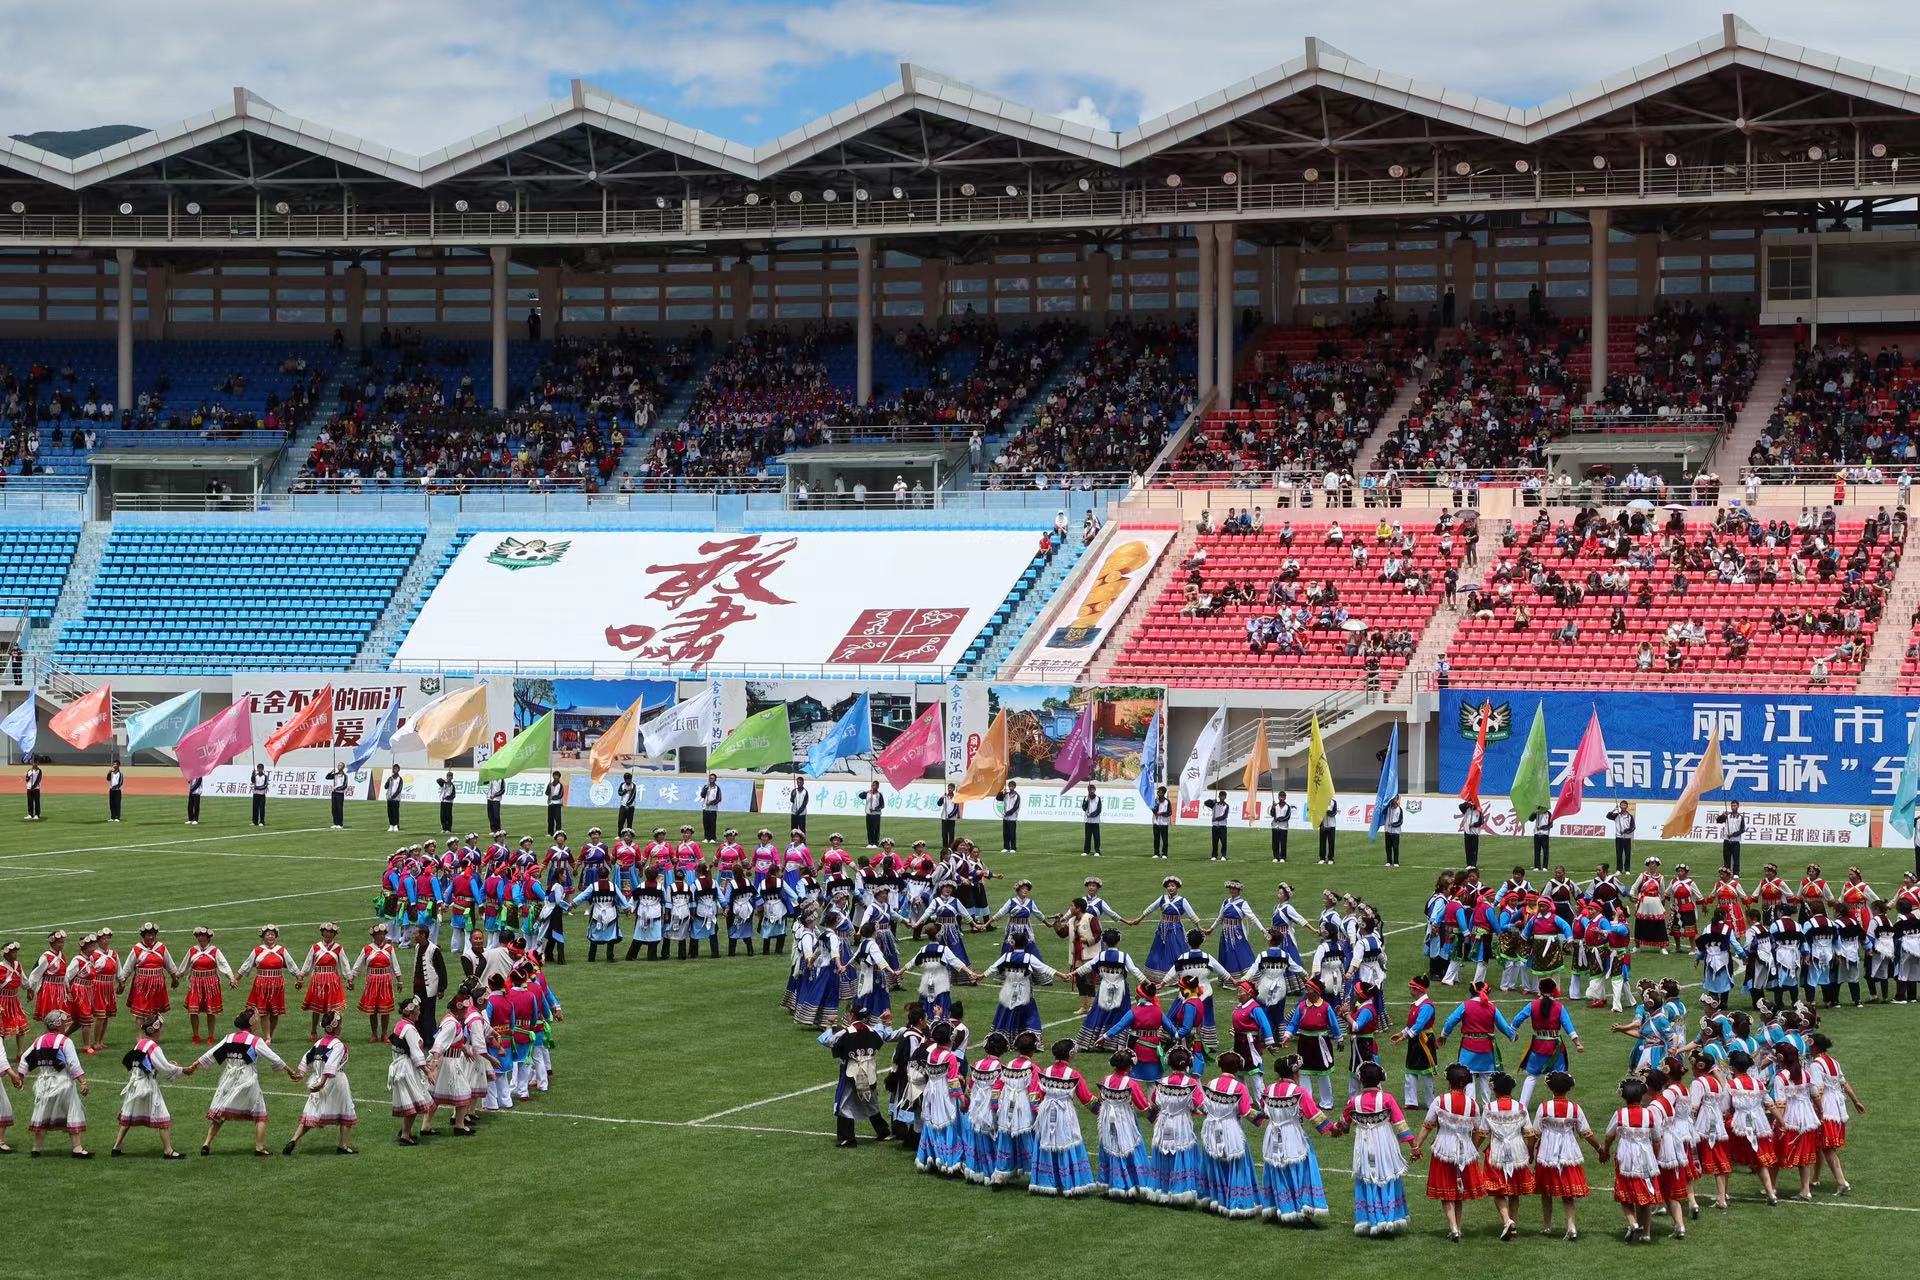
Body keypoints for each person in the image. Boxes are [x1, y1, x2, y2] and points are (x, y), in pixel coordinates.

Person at [184, 1009, 298, 1156]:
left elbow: (211, 1053)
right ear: (251, 1023)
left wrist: (194, 1065)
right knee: (260, 1113)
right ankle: (260, 1147)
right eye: (256, 1019)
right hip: (248, 1079)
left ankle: (206, 1144)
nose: (258, 1021)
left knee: (220, 1113)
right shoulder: (255, 1040)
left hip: (228, 1079)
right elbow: (273, 1057)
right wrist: (289, 1070)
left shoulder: (229, 1038)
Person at [1324, 1060, 1417, 1237]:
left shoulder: (1354, 1102)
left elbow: (1343, 1125)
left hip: (1364, 1143)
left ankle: (1371, 1219)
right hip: (1385, 1142)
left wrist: (1334, 1130)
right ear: (1380, 1079)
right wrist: (1414, 1146)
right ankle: (1389, 1218)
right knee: (1387, 1174)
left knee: (1367, 1176)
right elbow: (1400, 1125)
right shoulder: (1387, 1099)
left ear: (1361, 1080)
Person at [1419, 1063, 1487, 1241]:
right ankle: (1458, 1227)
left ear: (1449, 1081)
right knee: (1459, 1191)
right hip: (1465, 1149)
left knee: (1446, 1189)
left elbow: (1427, 1125)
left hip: (1443, 1148)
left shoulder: (1440, 1101)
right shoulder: (1473, 1105)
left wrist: (1417, 1145)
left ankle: (1454, 1228)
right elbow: (1478, 1131)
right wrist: (1473, 1148)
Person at [1600, 1075, 1672, 1242]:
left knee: (1624, 1194)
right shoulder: (1649, 1114)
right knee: (1645, 1195)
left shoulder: (1620, 1114)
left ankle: (1633, 1222)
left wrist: (1606, 1150)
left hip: (1626, 1157)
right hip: (1646, 1156)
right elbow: (1657, 1139)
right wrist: (1654, 1156)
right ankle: (1646, 1233)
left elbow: (1609, 1135)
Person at [1533, 1069, 1601, 1239]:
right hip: (1569, 1151)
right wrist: (1599, 1149)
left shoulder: (1544, 1107)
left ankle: (1547, 1226)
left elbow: (1535, 1133)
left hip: (1547, 1151)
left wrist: (1529, 1150)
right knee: (1568, 1192)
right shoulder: (1575, 1108)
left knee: (1546, 1190)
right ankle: (1571, 1226)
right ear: (1569, 1089)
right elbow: (1586, 1133)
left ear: (1550, 1088)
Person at [822, 1003, 897, 1148]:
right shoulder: (872, 1030)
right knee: (871, 1101)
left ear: (851, 1015)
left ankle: (847, 1138)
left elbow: (828, 1041)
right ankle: (883, 1130)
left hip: (852, 1072)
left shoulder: (846, 1032)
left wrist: (829, 1025)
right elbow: (881, 1036)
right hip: (869, 1071)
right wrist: (881, 1022)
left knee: (844, 1104)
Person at [1029, 1039, 1098, 1197]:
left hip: (1047, 1110)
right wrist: (1101, 1110)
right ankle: (1069, 1183)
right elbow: (1086, 1098)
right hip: (1065, 1112)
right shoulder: (1073, 1074)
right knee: (1067, 1141)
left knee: (1046, 1141)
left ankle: (1046, 1182)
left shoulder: (1045, 1071)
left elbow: (1039, 1095)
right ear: (1070, 1054)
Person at [112, 1013, 185, 1158]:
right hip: (147, 1085)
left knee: (128, 1117)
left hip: (135, 1084)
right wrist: (183, 1070)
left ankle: (116, 1147)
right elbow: (164, 1067)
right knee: (163, 1117)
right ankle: (168, 1151)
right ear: (155, 1031)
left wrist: (167, 1064)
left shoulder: (140, 1043)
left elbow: (150, 1063)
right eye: (160, 1029)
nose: (161, 1032)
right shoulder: (153, 1046)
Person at [284, 1012, 357, 1155]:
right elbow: (331, 1064)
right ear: (335, 1026)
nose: (341, 1026)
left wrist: (301, 1074)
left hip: (318, 1080)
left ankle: (293, 1140)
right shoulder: (338, 1045)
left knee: (311, 1113)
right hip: (335, 1081)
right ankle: (343, 1145)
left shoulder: (318, 1043)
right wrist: (322, 1082)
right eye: (340, 1024)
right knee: (347, 1110)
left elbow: (307, 1058)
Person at [1144, 1046, 1205, 1206]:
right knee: (1182, 1153)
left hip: (1164, 1122)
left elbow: (1154, 1102)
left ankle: (1162, 1190)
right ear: (1188, 1064)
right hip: (1181, 1123)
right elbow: (1200, 1104)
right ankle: (1181, 1191)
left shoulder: (1161, 1082)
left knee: (1164, 1152)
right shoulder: (1191, 1083)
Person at [24, 1011, 89, 1156]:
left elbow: (25, 1059)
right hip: (62, 1082)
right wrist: (83, 1081)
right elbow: (73, 1064)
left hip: (43, 1084)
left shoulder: (39, 1041)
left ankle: (36, 1149)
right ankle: (77, 1148)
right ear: (58, 1024)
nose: (66, 1024)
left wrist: (20, 1076)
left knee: (42, 1113)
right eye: (63, 1021)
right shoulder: (65, 1041)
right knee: (72, 1112)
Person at [387, 997, 434, 1146]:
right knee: (414, 1101)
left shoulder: (400, 1024)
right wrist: (427, 1071)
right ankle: (405, 1135)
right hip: (406, 1068)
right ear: (411, 1013)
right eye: (417, 1010)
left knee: (411, 1100)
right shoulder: (410, 1029)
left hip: (400, 1066)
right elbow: (416, 1053)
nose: (419, 1012)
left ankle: (406, 1131)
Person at [408, 925, 446, 1030]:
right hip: (418, 987)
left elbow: (441, 970)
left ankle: (430, 1037)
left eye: (415, 933)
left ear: (423, 935)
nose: (413, 936)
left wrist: (441, 988)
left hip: (429, 989)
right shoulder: (417, 947)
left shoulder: (434, 950)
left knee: (428, 1015)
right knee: (417, 1012)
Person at [1713, 800, 1746, 875]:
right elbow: (1718, 820)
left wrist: (1733, 834)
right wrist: (1722, 815)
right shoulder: (1727, 815)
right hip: (1727, 840)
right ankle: (1727, 872)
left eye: (1735, 805)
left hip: (1735, 841)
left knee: (1736, 858)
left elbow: (1742, 829)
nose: (1733, 807)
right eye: (1732, 806)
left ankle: (1736, 873)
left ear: (1738, 806)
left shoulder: (1740, 817)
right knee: (1726, 858)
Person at [1605, 801, 1635, 873]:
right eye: (1622, 805)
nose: (1623, 806)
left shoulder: (1630, 816)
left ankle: (1627, 869)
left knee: (1627, 854)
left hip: (1627, 838)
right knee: (1619, 854)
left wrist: (1625, 831)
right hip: (1619, 838)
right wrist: (1614, 809)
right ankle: (1619, 869)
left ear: (1627, 806)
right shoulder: (1616, 815)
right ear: (1620, 806)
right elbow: (1608, 816)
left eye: (1624, 805)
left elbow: (1633, 827)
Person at [1203, 789, 1231, 862]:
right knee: (1215, 842)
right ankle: (1214, 855)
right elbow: (1205, 803)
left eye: (1223, 796)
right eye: (1221, 796)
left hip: (1222, 826)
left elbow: (1224, 816)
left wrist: (1216, 819)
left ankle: (1223, 855)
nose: (1222, 797)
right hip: (1215, 826)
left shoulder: (1226, 806)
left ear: (1225, 797)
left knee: (1223, 841)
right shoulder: (1214, 804)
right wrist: (1212, 800)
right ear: (1219, 796)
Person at [997, 780, 1021, 855]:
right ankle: (1006, 847)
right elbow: (998, 798)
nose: (1011, 787)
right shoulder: (1006, 794)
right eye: (1009, 786)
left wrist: (1008, 813)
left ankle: (1013, 848)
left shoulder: (1017, 796)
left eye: (1012, 786)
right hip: (1005, 818)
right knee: (1005, 833)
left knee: (1012, 833)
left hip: (1012, 818)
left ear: (1014, 787)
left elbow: (1015, 807)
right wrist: (1001, 792)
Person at [1080, 783, 1103, 857]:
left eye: (1093, 789)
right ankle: (1086, 851)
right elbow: (1084, 808)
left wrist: (1092, 815)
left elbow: (1099, 810)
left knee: (1096, 836)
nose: (1092, 791)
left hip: (1095, 821)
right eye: (1090, 790)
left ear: (1095, 790)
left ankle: (1097, 851)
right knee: (1087, 836)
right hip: (1088, 821)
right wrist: (1087, 801)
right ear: (1088, 791)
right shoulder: (1086, 798)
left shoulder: (1098, 798)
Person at [1150, 785, 1172, 859]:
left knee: (1165, 839)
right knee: (1156, 839)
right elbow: (1153, 809)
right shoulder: (1155, 801)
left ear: (1163, 793)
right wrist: (1156, 806)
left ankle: (1164, 853)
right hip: (1156, 822)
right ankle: (1156, 853)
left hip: (1164, 823)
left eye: (1160, 792)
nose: (1159, 793)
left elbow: (1169, 812)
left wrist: (1161, 813)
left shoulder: (1167, 802)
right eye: (1158, 792)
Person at [701, 772, 722, 842]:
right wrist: (705, 789)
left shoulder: (717, 788)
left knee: (712, 824)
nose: (711, 779)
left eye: (713, 778)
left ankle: (712, 838)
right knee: (705, 823)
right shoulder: (706, 786)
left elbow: (719, 798)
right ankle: (706, 837)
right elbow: (702, 795)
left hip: (713, 809)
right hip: (705, 808)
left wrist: (711, 803)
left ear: (715, 779)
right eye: (710, 778)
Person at [325, 764, 348, 829]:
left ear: (343, 767)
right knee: (334, 809)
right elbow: (327, 777)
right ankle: (335, 823)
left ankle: (340, 824)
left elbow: (345, 785)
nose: (339, 766)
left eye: (340, 765)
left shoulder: (345, 776)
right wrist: (331, 772)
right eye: (338, 765)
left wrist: (338, 788)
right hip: (334, 793)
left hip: (340, 794)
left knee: (339, 809)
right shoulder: (335, 775)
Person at [939, 783, 959, 851]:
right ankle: (945, 846)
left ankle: (951, 846)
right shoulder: (945, 796)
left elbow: (956, 809)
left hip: (951, 819)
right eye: (948, 788)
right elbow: (939, 804)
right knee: (944, 833)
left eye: (951, 788)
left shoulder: (955, 797)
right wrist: (942, 797)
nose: (949, 789)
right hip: (944, 817)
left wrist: (950, 815)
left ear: (953, 789)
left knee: (951, 833)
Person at [382, 765, 403, 832]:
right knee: (390, 812)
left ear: (398, 770)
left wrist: (393, 796)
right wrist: (389, 781)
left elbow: (399, 789)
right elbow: (385, 787)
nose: (395, 770)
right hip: (389, 798)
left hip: (396, 798)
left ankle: (396, 825)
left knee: (395, 812)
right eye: (394, 769)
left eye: (396, 769)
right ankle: (391, 825)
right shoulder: (390, 778)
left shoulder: (400, 779)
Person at [1318, 797, 1338, 865]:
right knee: (1322, 842)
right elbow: (1319, 814)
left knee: (1331, 842)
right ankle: (1322, 858)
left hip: (1331, 825)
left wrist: (1327, 811)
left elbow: (1334, 813)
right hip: (1323, 825)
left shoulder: (1333, 802)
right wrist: (1321, 825)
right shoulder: (1321, 801)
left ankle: (1331, 859)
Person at [544, 771, 564, 836]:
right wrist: (549, 787)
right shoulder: (550, 784)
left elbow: (561, 794)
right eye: (554, 776)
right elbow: (546, 793)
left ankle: (558, 832)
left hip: (557, 804)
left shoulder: (560, 785)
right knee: (550, 819)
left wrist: (554, 797)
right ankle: (550, 833)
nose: (555, 777)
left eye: (557, 776)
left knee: (558, 819)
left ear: (559, 777)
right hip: (550, 804)